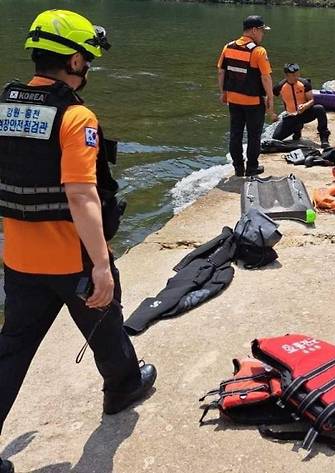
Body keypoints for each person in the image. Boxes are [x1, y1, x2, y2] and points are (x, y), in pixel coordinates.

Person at [0, 10, 157, 473]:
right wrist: (101, 265)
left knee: (12, 347)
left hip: (19, 257)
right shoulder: (75, 116)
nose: (87, 68)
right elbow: (82, 194)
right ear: (72, 60)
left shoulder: (6, 107)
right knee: (105, 317)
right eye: (86, 59)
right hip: (71, 256)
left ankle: (125, 379)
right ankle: (123, 385)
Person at [217, 15, 274, 177]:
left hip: (234, 99)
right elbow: (265, 77)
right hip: (253, 101)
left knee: (235, 133)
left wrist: (223, 92)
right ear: (254, 30)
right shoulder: (258, 51)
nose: (263, 34)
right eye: (262, 31)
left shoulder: (228, 47)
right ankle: (252, 167)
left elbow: (221, 72)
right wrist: (270, 97)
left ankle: (238, 168)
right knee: (254, 135)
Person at [272, 63, 330, 148]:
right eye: (293, 75)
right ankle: (297, 130)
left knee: (319, 109)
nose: (296, 76)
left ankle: (324, 138)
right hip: (291, 116)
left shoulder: (304, 83)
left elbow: (311, 100)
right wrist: (272, 113)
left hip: (305, 113)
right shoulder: (280, 86)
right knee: (275, 138)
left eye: (297, 74)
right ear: (287, 76)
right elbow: (269, 98)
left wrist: (305, 106)